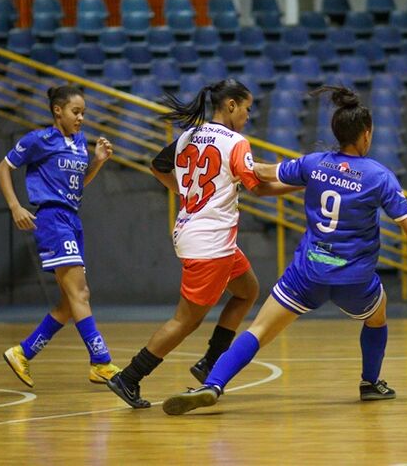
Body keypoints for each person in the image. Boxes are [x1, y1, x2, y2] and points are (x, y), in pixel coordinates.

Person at [161, 86, 407, 415]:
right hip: (353, 278)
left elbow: (264, 173)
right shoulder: (380, 177)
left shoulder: (314, 164)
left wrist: (230, 167)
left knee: (259, 329)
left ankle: (213, 385)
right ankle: (370, 383)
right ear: (366, 135)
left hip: (308, 272)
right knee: (377, 315)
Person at [107, 79, 299, 408]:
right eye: (247, 109)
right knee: (186, 320)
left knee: (247, 290)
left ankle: (211, 361)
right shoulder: (236, 142)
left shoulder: (188, 136)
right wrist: (299, 184)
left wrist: (185, 193)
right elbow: (259, 188)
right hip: (210, 242)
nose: (248, 116)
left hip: (196, 232)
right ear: (231, 106)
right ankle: (129, 377)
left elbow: (158, 166)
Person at [0, 85, 121, 387]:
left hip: (72, 217)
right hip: (52, 219)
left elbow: (78, 185)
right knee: (81, 295)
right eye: (75, 112)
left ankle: (22, 352)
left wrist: (98, 161)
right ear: (58, 111)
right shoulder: (39, 140)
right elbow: (3, 167)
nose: (80, 118)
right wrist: (15, 207)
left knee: (69, 303)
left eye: (83, 113)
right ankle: (101, 362)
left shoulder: (79, 142)